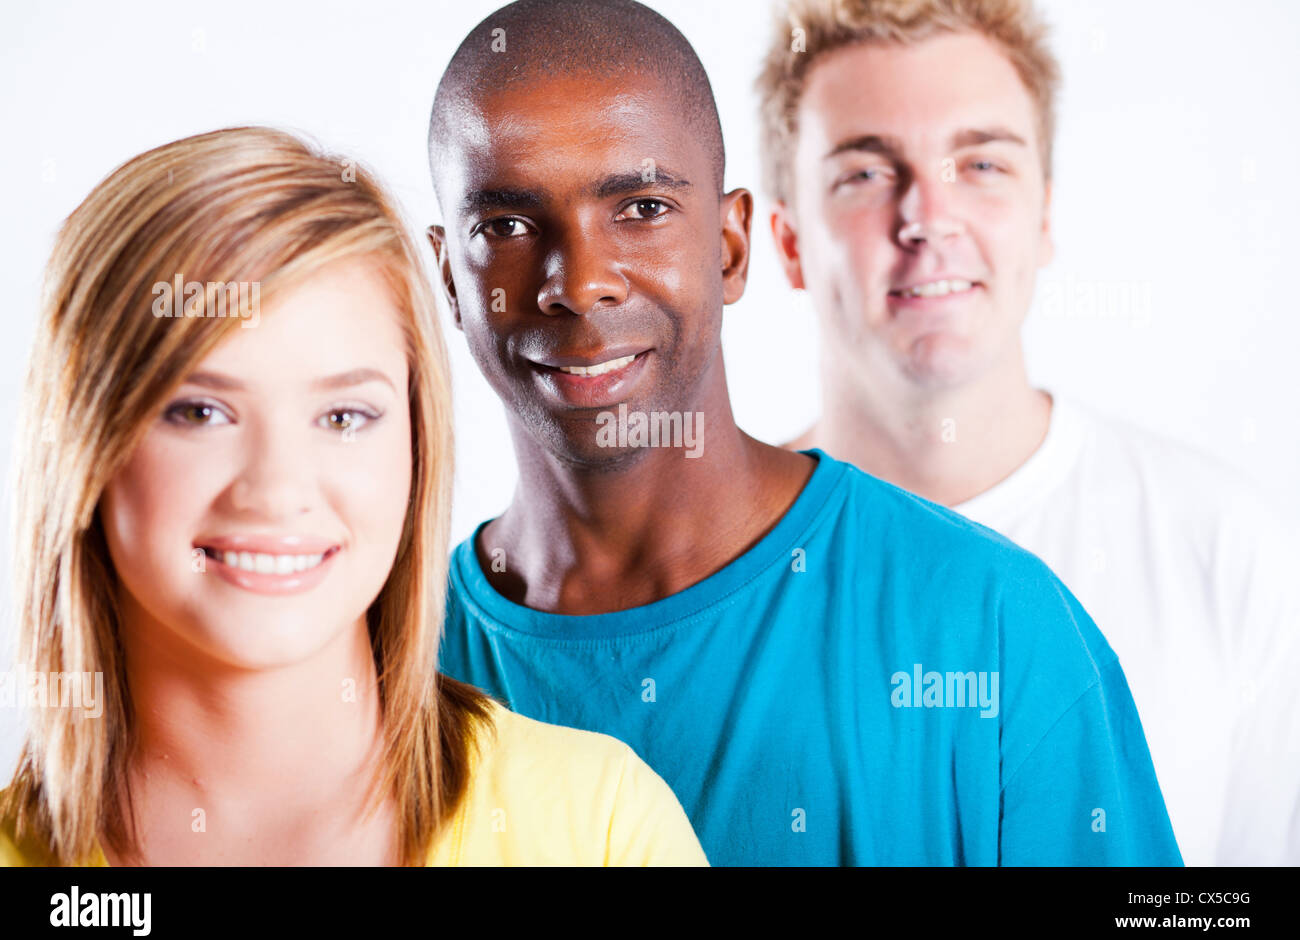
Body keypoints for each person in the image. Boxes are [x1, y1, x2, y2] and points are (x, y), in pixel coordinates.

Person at [428, 0, 1181, 866]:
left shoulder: (994, 629)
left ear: (731, 243)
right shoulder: (390, 665)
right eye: (507, 226)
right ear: (450, 278)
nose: (581, 282)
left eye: (639, 208)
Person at [0, 126, 706, 867]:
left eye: (343, 417)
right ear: (84, 444)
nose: (276, 489)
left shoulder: (599, 829)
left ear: (415, 446)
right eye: (199, 412)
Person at [757, 0, 1300, 865]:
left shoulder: (1227, 554)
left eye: (981, 163)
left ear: (1044, 215)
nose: (927, 217)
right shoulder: (709, 575)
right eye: (864, 173)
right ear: (786, 240)